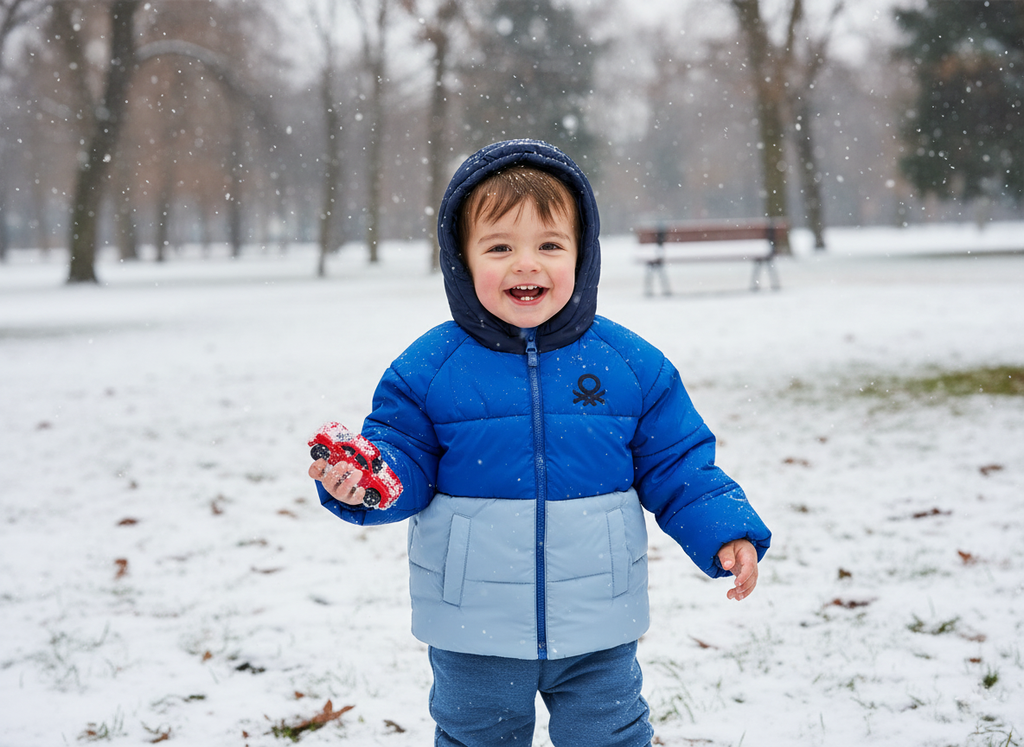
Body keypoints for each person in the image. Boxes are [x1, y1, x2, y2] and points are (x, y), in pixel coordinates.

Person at [308, 139, 771, 747]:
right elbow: (404, 459)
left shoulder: (629, 365)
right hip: (474, 623)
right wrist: (369, 482)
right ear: (462, 259)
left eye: (549, 246)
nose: (526, 264)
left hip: (597, 619)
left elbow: (678, 464)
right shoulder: (428, 369)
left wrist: (725, 530)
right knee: (477, 738)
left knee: (611, 737)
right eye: (500, 247)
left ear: (582, 255)